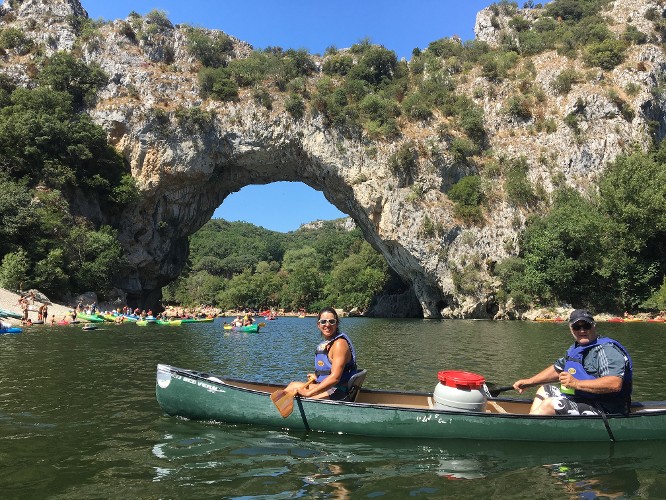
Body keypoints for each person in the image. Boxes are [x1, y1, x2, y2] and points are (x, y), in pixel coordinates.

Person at [513, 309, 632, 416]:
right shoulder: (576, 348)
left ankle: (528, 427)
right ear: (571, 328)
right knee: (544, 390)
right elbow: (557, 369)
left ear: (594, 326)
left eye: (586, 326)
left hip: (608, 408)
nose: (582, 330)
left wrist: (576, 383)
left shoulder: (607, 350)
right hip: (584, 398)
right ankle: (533, 421)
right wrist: (530, 382)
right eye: (577, 327)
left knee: (549, 404)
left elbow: (614, 384)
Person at [284, 307, 359, 400]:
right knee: (292, 385)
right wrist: (319, 377)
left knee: (295, 392)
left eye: (331, 321)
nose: (327, 325)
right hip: (333, 389)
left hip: (338, 392)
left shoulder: (339, 344)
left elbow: (335, 378)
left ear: (337, 324)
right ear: (318, 325)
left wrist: (308, 393)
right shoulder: (329, 342)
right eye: (323, 322)